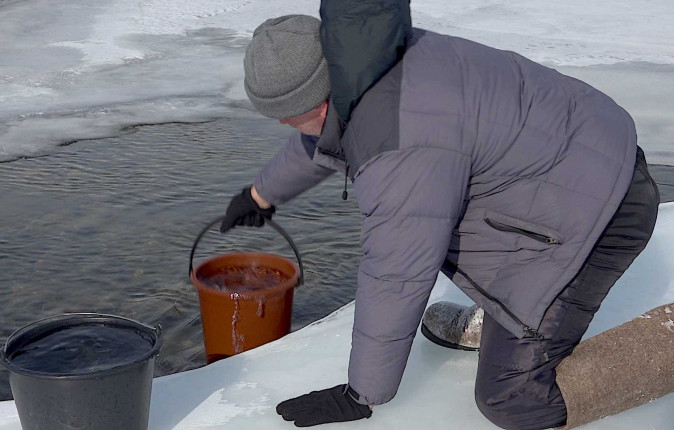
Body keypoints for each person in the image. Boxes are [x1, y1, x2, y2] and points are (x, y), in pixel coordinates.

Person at [220, 10, 660, 430]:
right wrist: (260, 195)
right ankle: (502, 320)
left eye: (291, 114)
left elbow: (396, 271)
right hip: (578, 156)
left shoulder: (400, 143)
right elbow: (328, 136)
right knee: (442, 210)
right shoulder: (375, 57)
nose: (283, 123)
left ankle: (663, 349)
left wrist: (362, 394)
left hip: (599, 213)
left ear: (325, 94)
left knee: (511, 400)